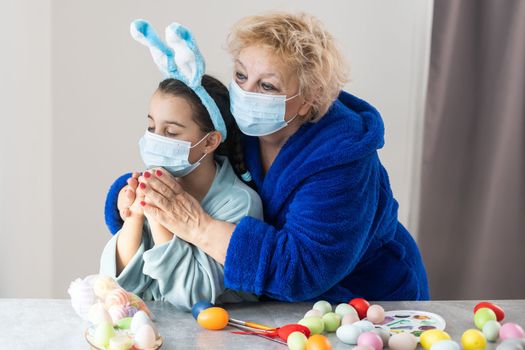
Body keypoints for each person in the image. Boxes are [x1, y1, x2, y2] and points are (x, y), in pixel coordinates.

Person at [106, 13, 429, 302]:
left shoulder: (342, 159)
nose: (247, 94)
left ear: (308, 99)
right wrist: (133, 192)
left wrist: (198, 226)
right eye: (241, 76)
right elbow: (190, 162)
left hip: (367, 299)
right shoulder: (239, 123)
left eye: (268, 86)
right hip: (277, 311)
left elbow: (302, 269)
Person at [100, 20, 262, 311]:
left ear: (210, 141)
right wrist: (136, 219)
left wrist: (161, 218)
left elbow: (193, 296)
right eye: (151, 127)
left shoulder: (240, 204)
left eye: (171, 132)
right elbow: (120, 288)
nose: (155, 140)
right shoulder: (155, 185)